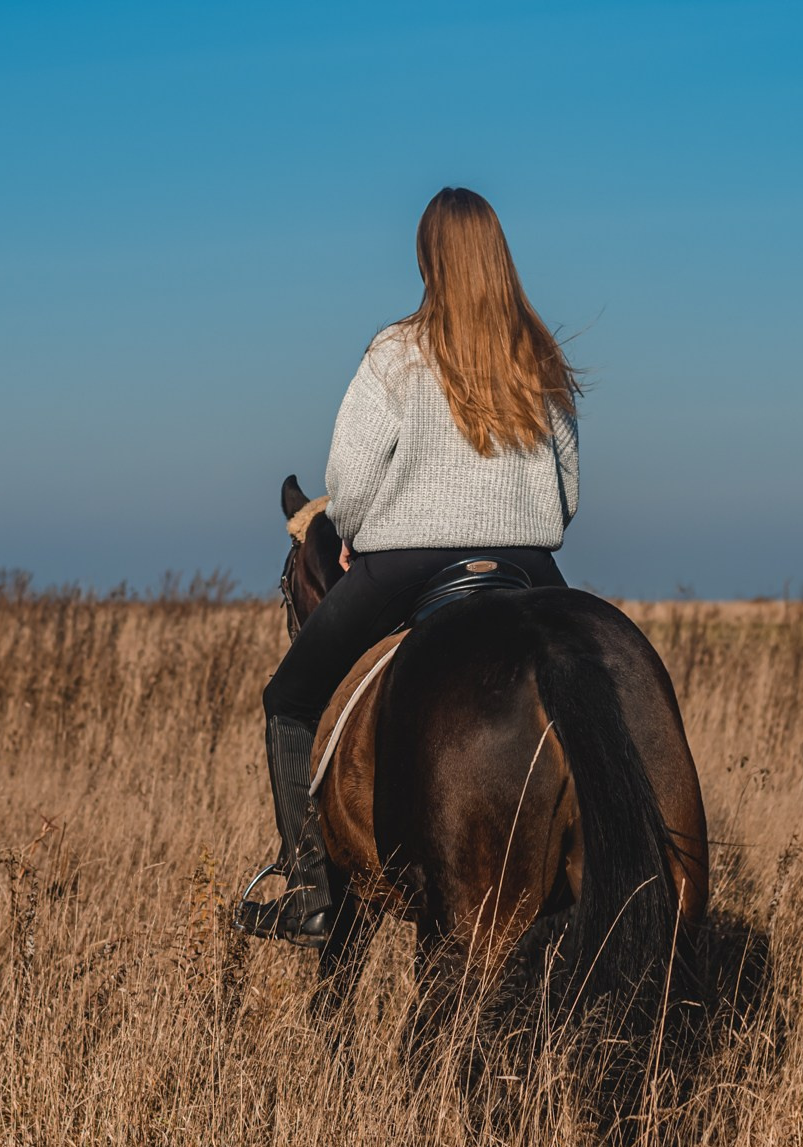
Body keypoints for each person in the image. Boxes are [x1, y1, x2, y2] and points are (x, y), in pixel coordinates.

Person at [239, 186, 582, 947]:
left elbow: (350, 482)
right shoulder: (540, 354)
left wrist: (355, 530)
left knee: (290, 697)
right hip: (530, 566)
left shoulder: (395, 352)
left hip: (412, 562)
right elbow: (570, 494)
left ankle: (311, 894)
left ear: (427, 258)